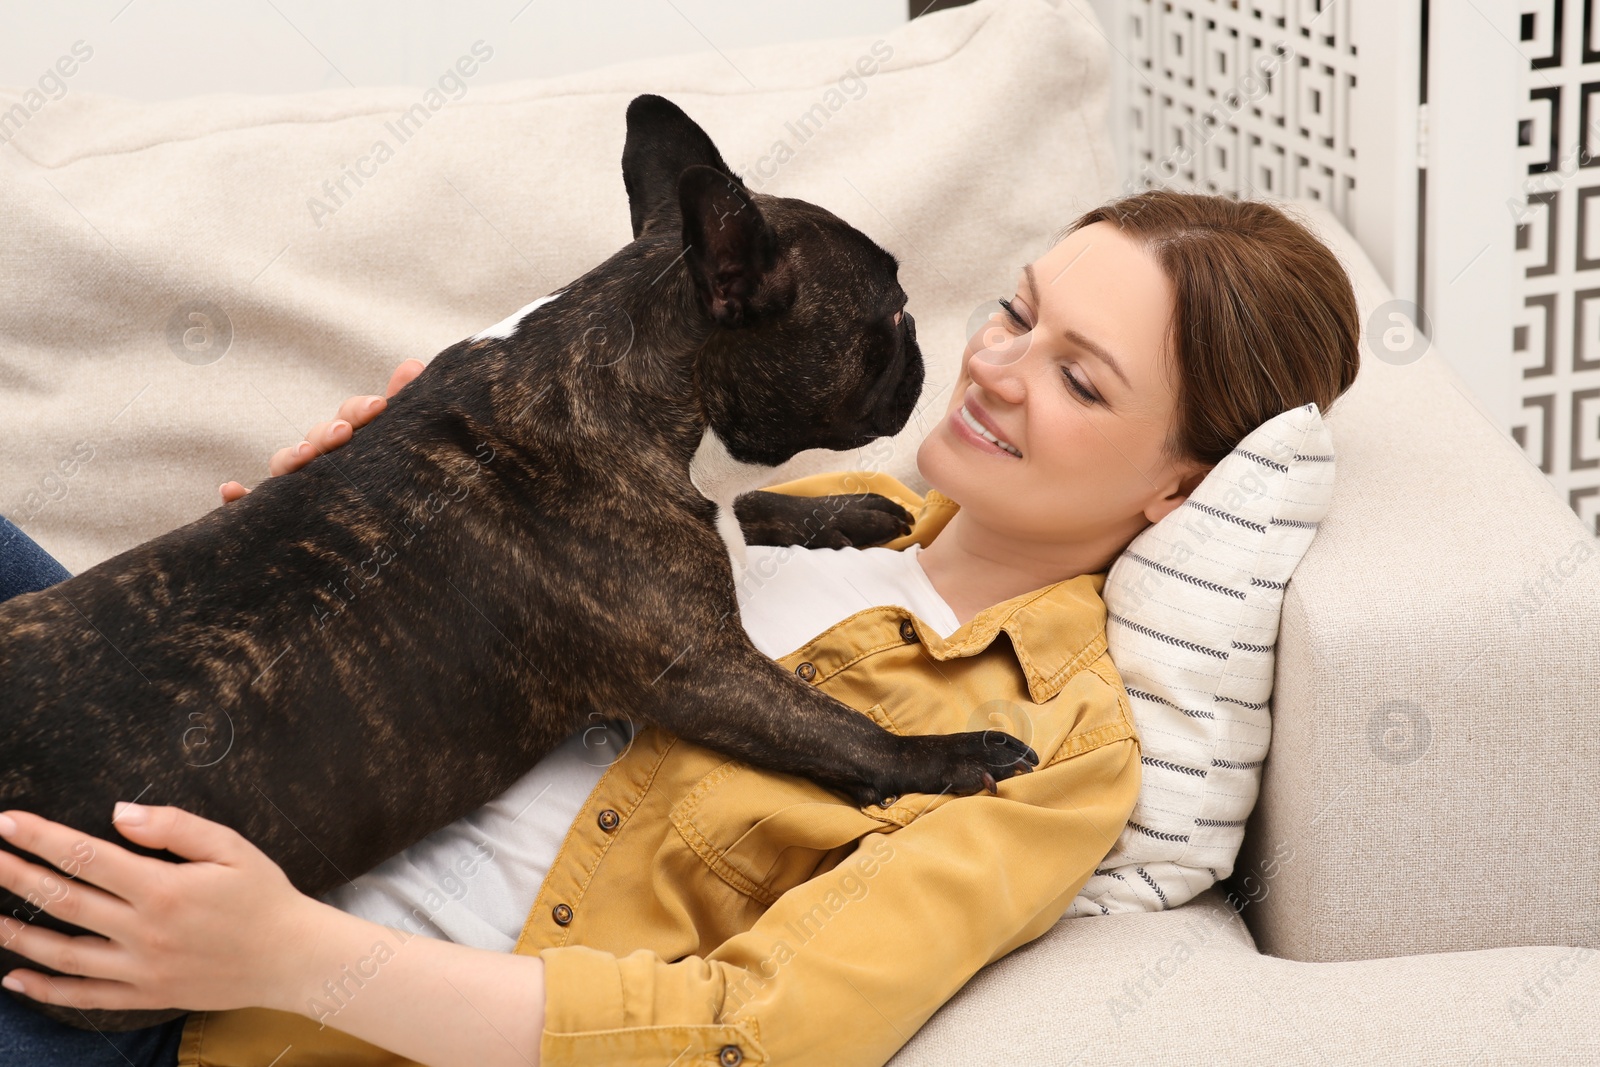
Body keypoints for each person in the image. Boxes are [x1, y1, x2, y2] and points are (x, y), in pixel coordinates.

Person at [0, 190, 1360, 1067]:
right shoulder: (818, 504)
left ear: (1184, 483)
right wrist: (350, 496)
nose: (994, 365)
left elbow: (755, 1035)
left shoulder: (1045, 747)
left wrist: (287, 955)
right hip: (140, 733)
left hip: (177, 971)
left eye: (1077, 375)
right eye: (1016, 308)